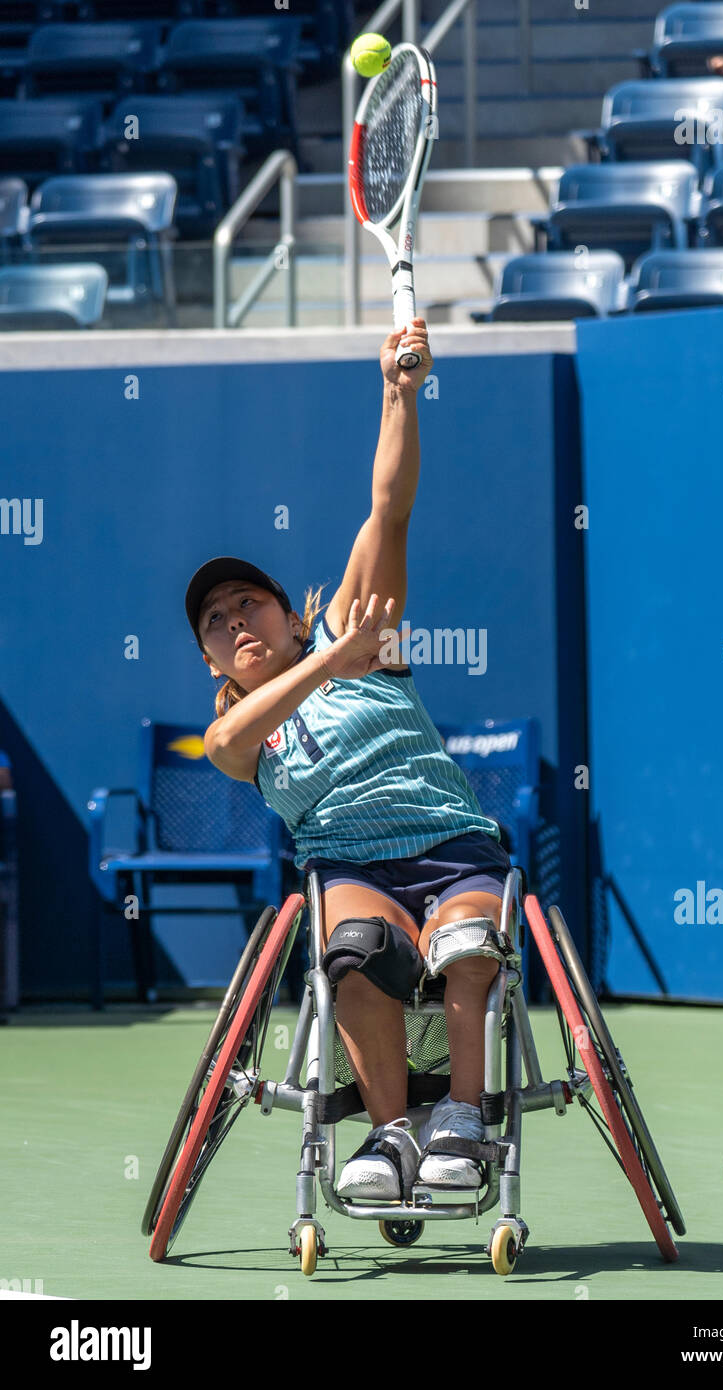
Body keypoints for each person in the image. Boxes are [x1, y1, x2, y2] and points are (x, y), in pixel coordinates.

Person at [183, 318, 513, 1203]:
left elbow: (389, 506)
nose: (237, 622)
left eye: (250, 603)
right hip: (351, 870)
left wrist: (398, 392)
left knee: (470, 943)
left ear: (294, 617)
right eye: (217, 623)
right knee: (356, 951)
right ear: (212, 662)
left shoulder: (353, 628)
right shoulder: (238, 733)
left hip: (452, 848)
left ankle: (466, 1122)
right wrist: (334, 658)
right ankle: (390, 1132)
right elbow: (228, 743)